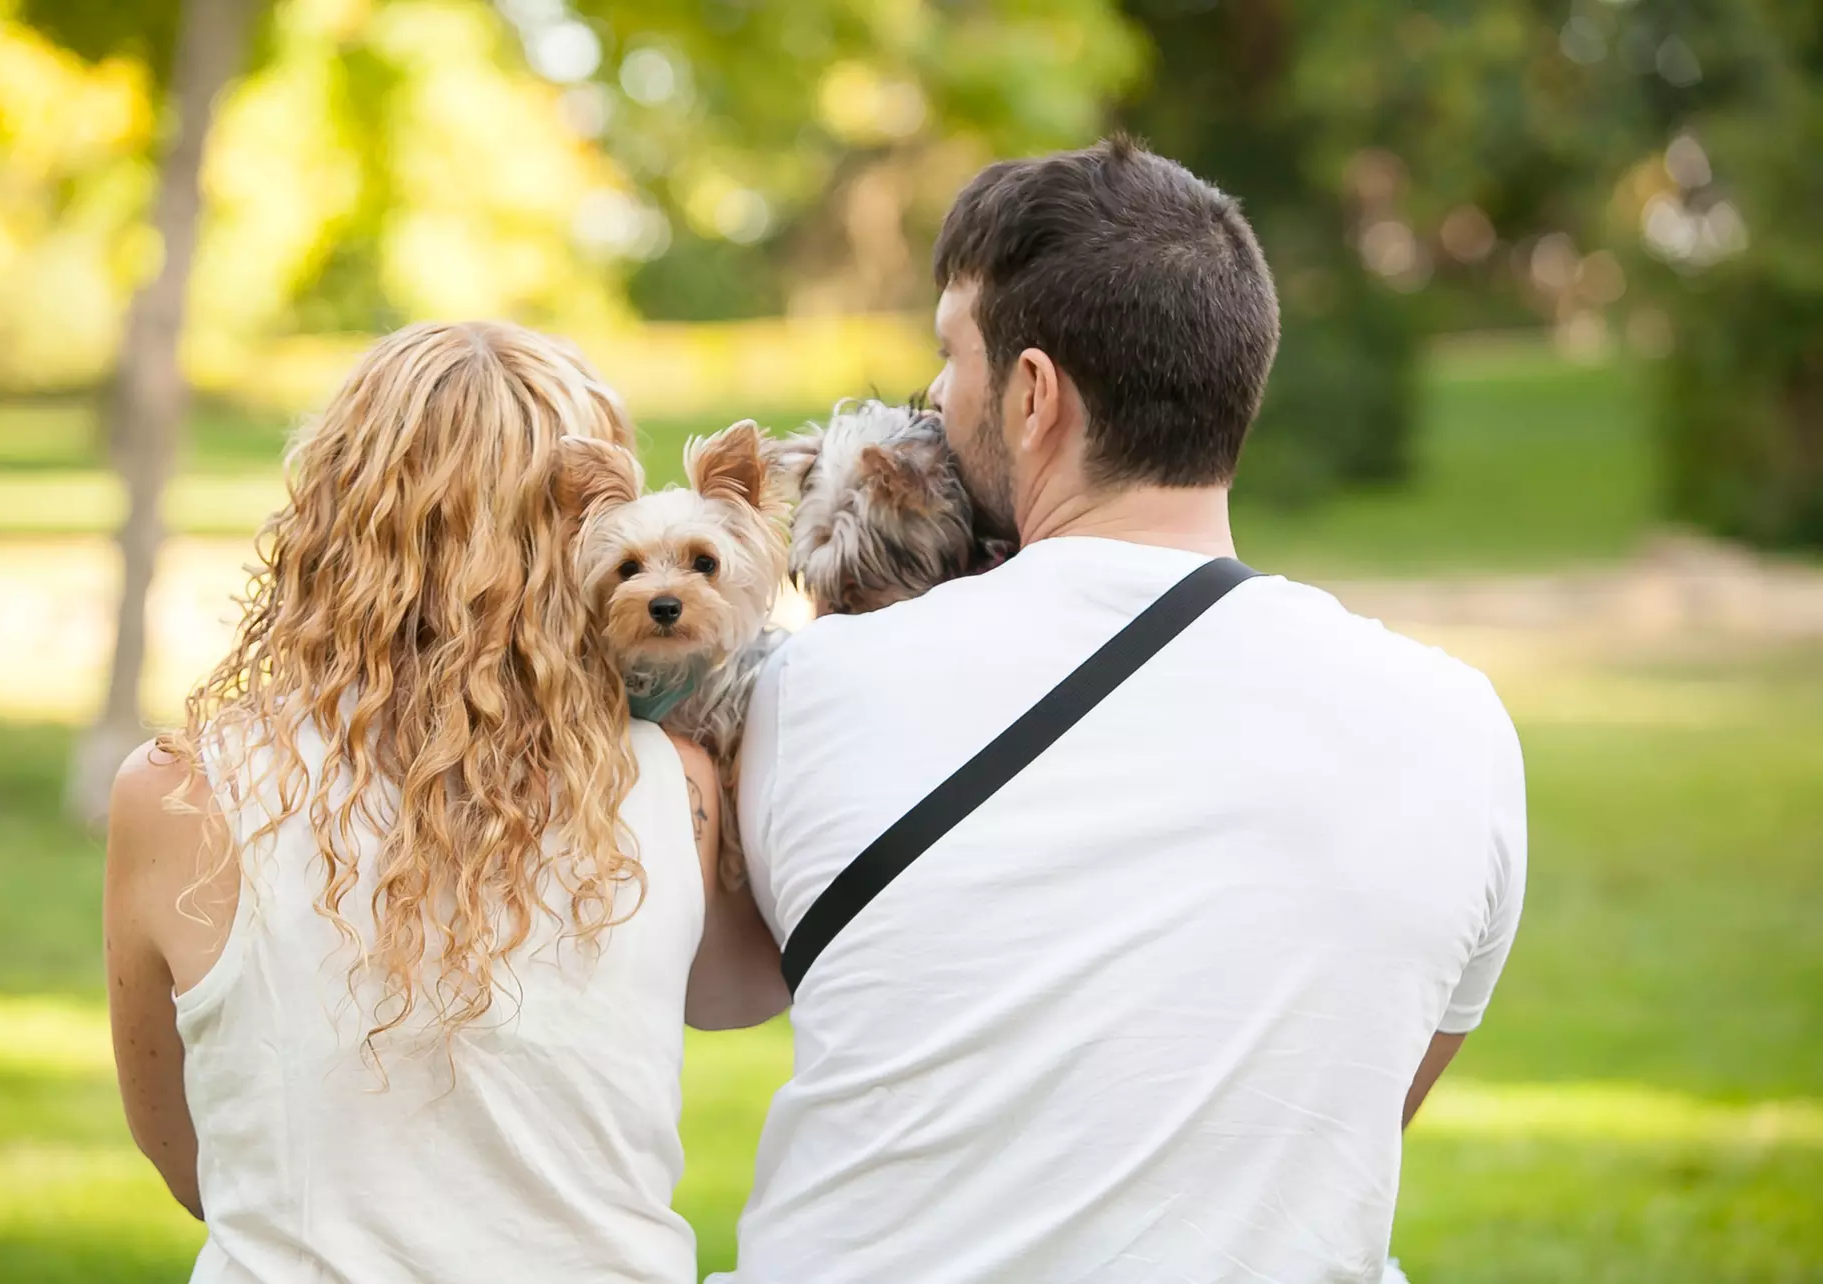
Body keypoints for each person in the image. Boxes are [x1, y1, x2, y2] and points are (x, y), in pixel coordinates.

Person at [721, 139, 1527, 1282]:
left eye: (950, 361)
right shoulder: (1462, 729)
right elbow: (1347, 1120)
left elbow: (717, 989)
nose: (934, 405)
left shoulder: (817, 690)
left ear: (1035, 394)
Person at [105, 321, 783, 1284]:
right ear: (573, 540)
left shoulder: (177, 791)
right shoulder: (672, 784)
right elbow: (737, 997)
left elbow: (192, 1155)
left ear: (331, 519)